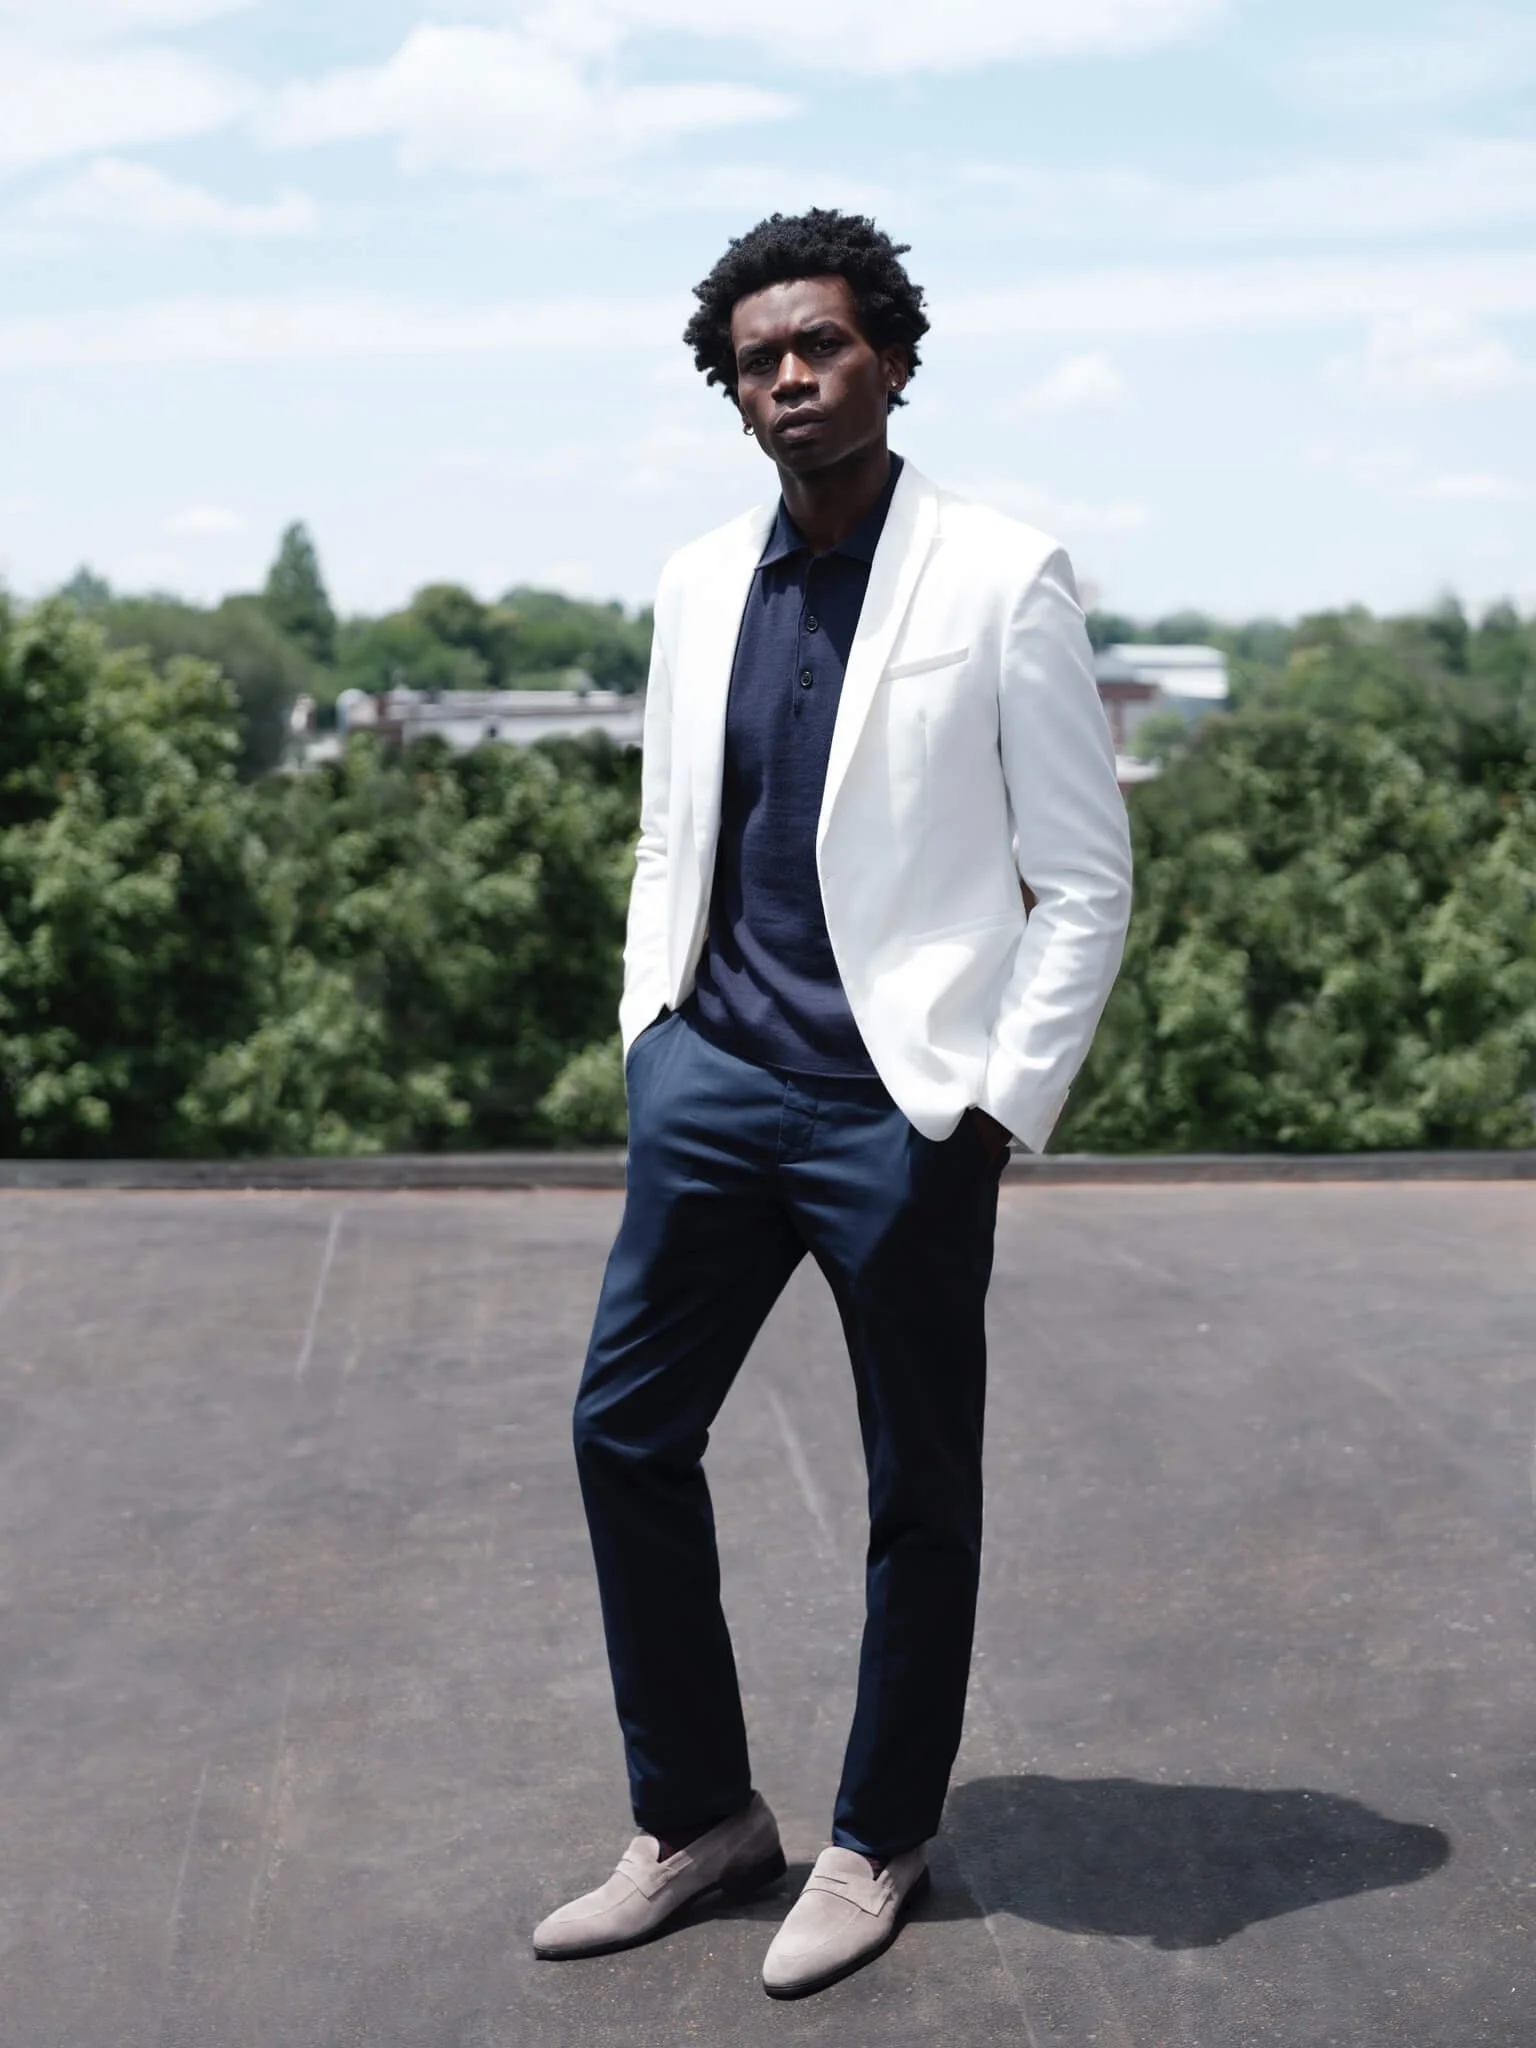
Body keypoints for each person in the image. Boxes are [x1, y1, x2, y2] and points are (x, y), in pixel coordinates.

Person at [534, 209, 1133, 1999]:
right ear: (732, 393)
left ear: (892, 358)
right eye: (758, 360)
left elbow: (1084, 880)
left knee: (914, 1490)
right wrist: (652, 1038)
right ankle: (698, 1819)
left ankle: (877, 1839)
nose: (790, 376)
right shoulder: (694, 582)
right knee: (624, 1437)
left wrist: (993, 1107)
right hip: (713, 1085)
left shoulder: (1001, 574)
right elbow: (671, 833)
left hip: (902, 1111)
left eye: (821, 345)